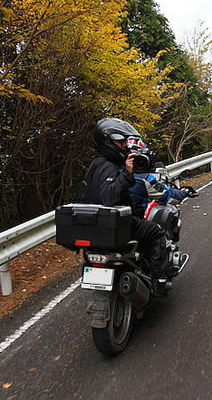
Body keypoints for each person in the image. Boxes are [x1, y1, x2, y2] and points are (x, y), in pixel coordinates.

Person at [81, 118, 171, 296]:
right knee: (156, 233)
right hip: (116, 226)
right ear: (107, 141)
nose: (123, 145)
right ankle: (159, 283)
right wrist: (127, 174)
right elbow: (109, 198)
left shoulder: (96, 165)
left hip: (96, 227)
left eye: (124, 141)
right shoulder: (107, 167)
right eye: (120, 141)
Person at [126, 138, 195, 218]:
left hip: (116, 223)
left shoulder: (112, 174)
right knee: (157, 229)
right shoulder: (144, 179)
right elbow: (168, 195)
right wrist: (184, 192)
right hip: (136, 223)